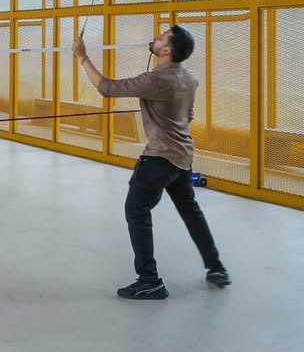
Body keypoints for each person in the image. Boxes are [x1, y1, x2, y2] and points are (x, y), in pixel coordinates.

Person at [72, 25, 230, 299]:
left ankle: (149, 280)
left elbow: (107, 88)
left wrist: (83, 57)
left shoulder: (157, 80)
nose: (154, 39)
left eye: (160, 38)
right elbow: (188, 116)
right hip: (182, 157)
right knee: (190, 210)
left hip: (159, 158)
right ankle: (216, 267)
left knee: (136, 210)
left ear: (167, 50)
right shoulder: (189, 79)